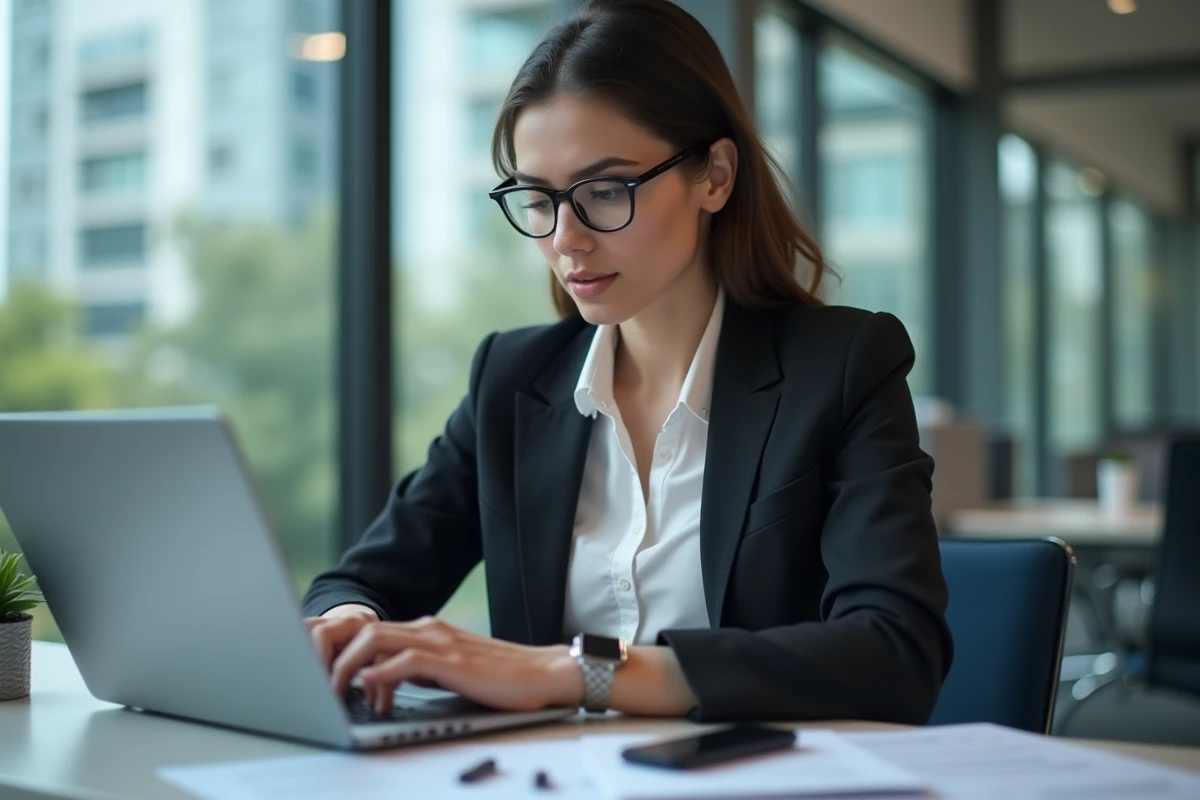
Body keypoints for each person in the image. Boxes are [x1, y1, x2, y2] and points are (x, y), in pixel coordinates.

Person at [303, 0, 951, 724]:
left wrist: (577, 671)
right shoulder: (513, 381)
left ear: (714, 176)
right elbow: (361, 579)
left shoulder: (841, 368)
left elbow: (896, 654)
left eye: (605, 191)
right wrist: (347, 624)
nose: (566, 240)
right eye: (539, 199)